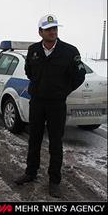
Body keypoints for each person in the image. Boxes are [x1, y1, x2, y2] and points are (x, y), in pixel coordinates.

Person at [14, 14, 86, 198]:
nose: (53, 32)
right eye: (49, 29)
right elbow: (29, 71)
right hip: (37, 102)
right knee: (34, 139)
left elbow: (79, 76)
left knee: (55, 143)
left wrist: (63, 91)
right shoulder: (33, 50)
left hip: (56, 105)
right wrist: (38, 85)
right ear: (40, 32)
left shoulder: (69, 51)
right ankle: (30, 172)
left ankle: (54, 181)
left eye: (55, 28)